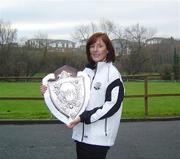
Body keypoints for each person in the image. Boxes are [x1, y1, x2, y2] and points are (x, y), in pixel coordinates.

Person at [40, 32, 124, 159]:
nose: (95, 50)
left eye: (100, 46)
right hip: (81, 134)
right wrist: (49, 91)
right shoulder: (86, 72)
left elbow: (112, 106)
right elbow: (74, 94)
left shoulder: (112, 75)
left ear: (108, 50)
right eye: (92, 46)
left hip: (99, 138)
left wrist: (84, 117)